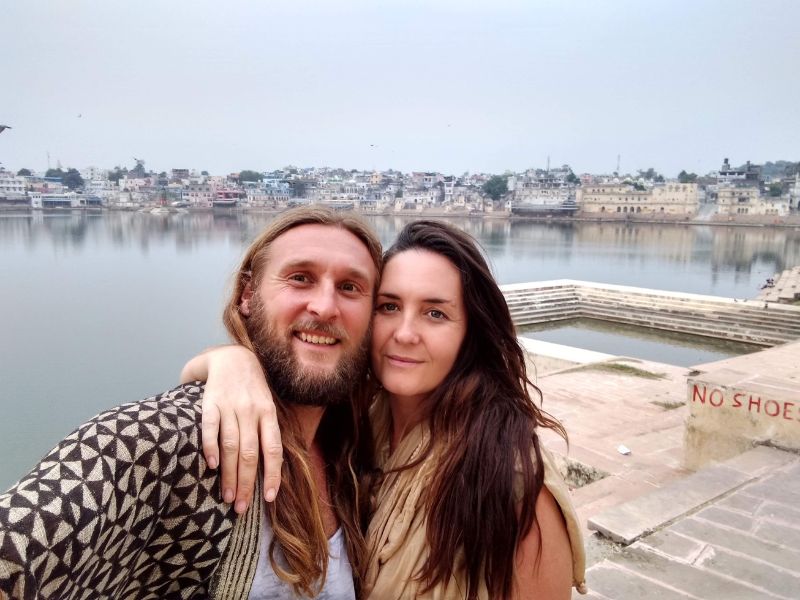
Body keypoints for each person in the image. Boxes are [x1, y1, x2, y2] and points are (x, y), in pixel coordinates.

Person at [189, 220, 587, 598]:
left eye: (435, 313)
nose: (405, 333)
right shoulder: (353, 419)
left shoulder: (507, 476)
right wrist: (230, 361)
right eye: (389, 306)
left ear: (470, 333)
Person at [0, 206, 382, 599]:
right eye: (300, 278)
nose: (325, 307)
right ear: (248, 295)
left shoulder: (359, 449)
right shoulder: (164, 440)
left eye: (351, 287)